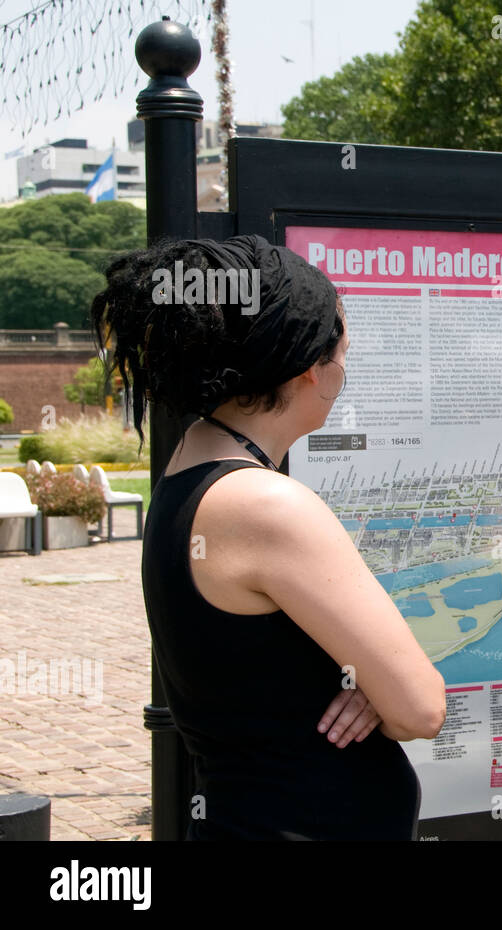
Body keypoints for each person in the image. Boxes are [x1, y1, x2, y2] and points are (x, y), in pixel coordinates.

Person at [92, 235, 445, 840]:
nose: (344, 370)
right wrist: (382, 690)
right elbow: (421, 707)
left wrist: (369, 684)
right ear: (310, 368)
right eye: (342, 354)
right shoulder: (265, 505)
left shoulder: (189, 466)